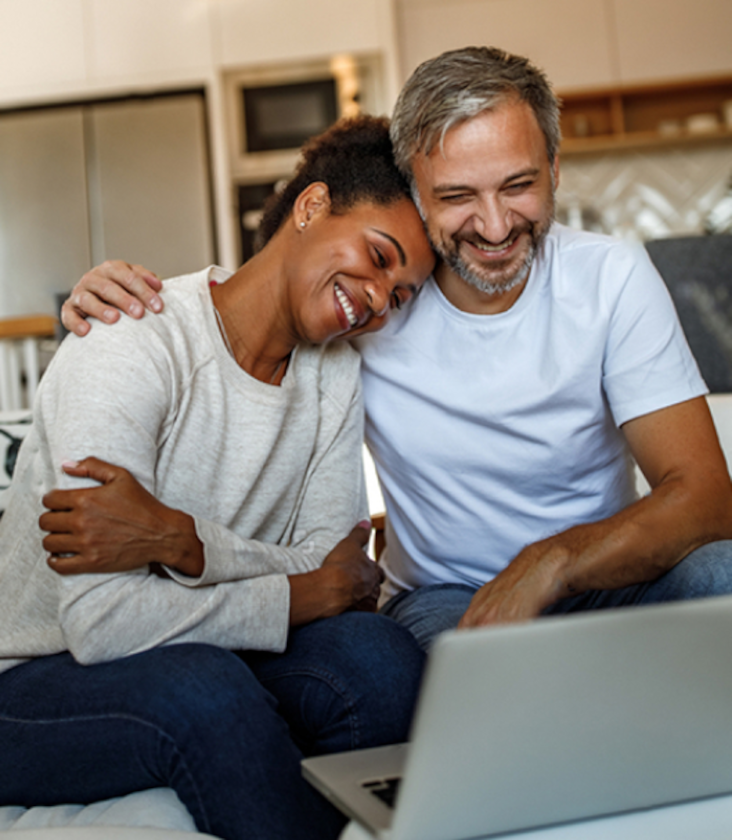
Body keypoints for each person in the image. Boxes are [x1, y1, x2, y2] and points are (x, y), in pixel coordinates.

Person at [59, 48, 732, 653]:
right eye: (458, 196)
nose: (495, 227)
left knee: (721, 571)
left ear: (555, 169)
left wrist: (549, 563)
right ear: (415, 192)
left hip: (602, 574)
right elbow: (267, 293)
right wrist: (127, 302)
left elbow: (705, 498)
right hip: (447, 597)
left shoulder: (611, 275)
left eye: (519, 185)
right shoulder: (364, 311)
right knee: (465, 686)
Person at [0, 116, 435, 840]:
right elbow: (104, 621)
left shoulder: (334, 374)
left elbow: (340, 581)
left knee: (383, 660)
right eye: (380, 255)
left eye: (402, 293)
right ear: (312, 206)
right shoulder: (130, 338)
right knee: (207, 691)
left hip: (210, 648)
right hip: (36, 679)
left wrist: (181, 543)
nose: (379, 300)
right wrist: (300, 587)